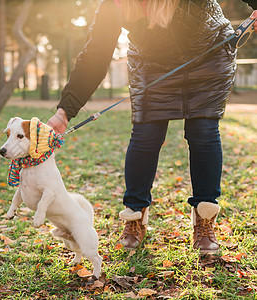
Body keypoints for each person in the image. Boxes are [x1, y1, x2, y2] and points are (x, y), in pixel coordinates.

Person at [47, 0, 257, 254]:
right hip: (152, 65)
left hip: (208, 56)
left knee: (202, 132)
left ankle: (204, 216)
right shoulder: (114, 5)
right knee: (146, 134)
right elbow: (96, 54)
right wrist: (64, 111)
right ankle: (135, 217)